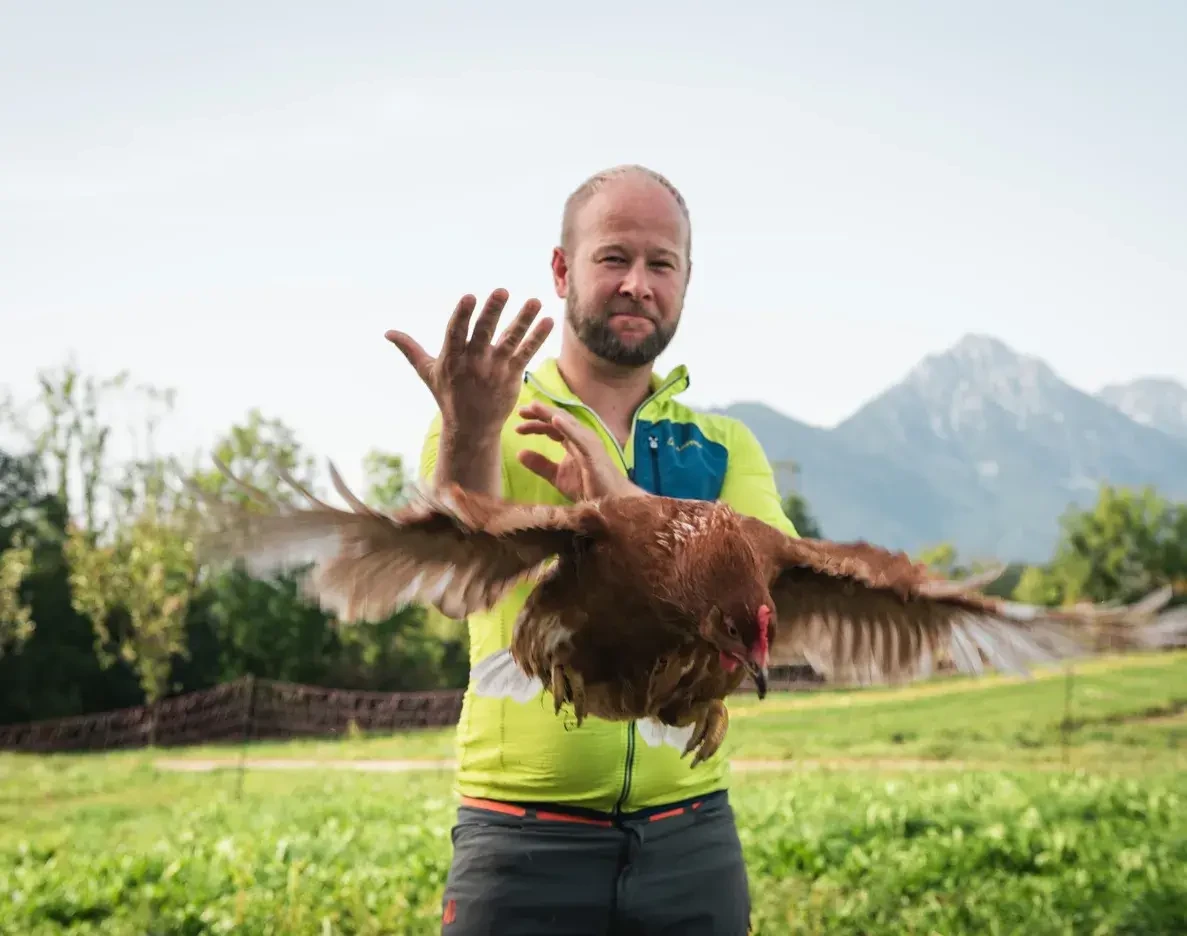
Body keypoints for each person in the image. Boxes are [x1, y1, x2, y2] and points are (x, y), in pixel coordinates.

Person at [386, 164, 798, 935]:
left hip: (692, 838)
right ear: (561, 269)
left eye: (660, 263)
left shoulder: (723, 446)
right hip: (519, 842)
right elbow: (450, 591)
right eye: (613, 257)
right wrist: (470, 430)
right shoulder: (490, 419)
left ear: (684, 281)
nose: (638, 283)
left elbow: (772, 602)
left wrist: (619, 507)